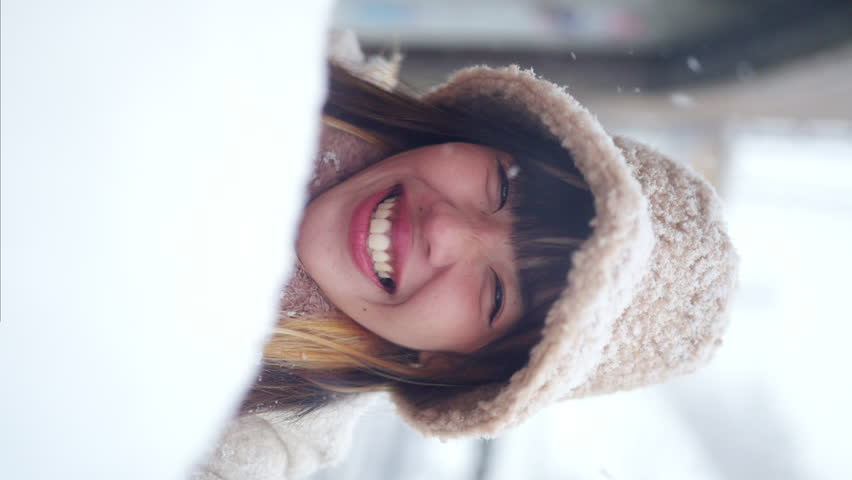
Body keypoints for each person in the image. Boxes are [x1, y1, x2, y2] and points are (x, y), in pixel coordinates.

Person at [193, 34, 738, 480]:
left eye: (497, 294)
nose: (445, 231)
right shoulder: (280, 36)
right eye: (502, 187)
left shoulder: (241, 444)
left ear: (452, 366)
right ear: (486, 135)